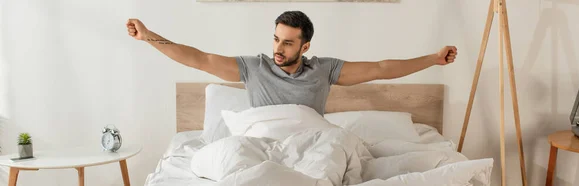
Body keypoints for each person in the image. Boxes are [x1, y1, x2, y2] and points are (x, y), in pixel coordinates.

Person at [126, 11, 457, 115]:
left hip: (309, 142)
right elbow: (199, 59)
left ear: (306, 44)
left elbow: (381, 69)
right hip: (261, 143)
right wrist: (149, 36)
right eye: (275, 39)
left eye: (287, 42)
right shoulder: (253, 68)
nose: (278, 48)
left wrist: (432, 59)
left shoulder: (324, 69)